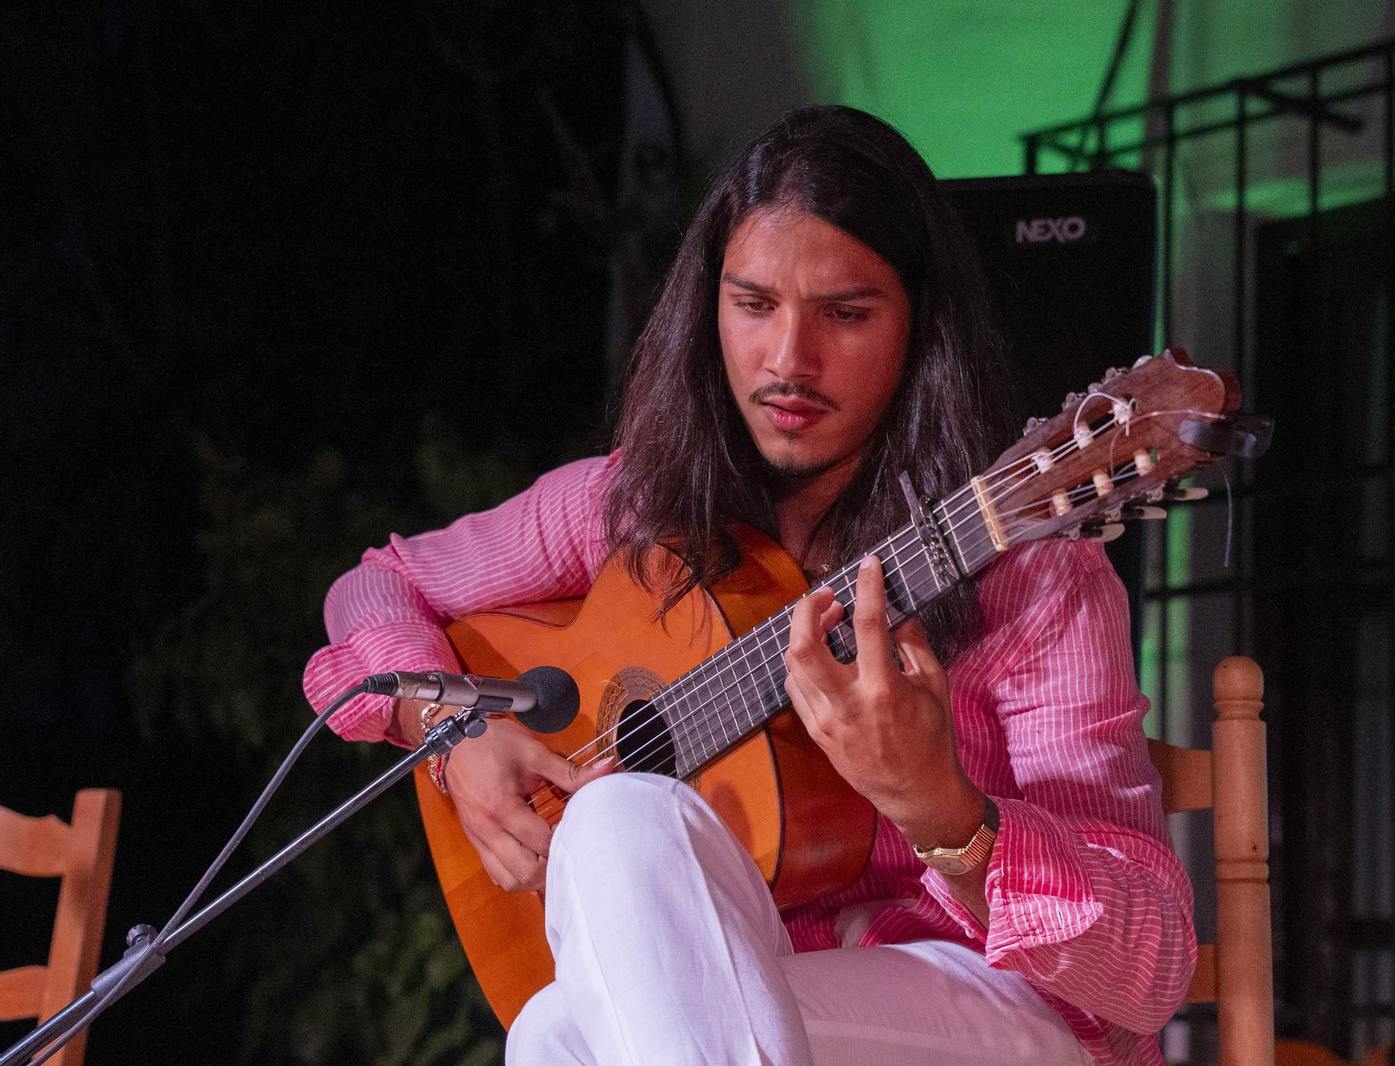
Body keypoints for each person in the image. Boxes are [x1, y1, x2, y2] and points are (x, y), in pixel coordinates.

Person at [303, 105, 1195, 1066]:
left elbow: (1149, 973)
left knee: (560, 1031)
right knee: (577, 955)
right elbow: (378, 590)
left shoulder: (1036, 573)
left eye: (846, 314)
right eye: (754, 304)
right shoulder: (636, 508)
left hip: (1002, 1019)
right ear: (708, 309)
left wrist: (946, 811)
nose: (787, 361)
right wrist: (451, 734)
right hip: (737, 1015)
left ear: (920, 325)